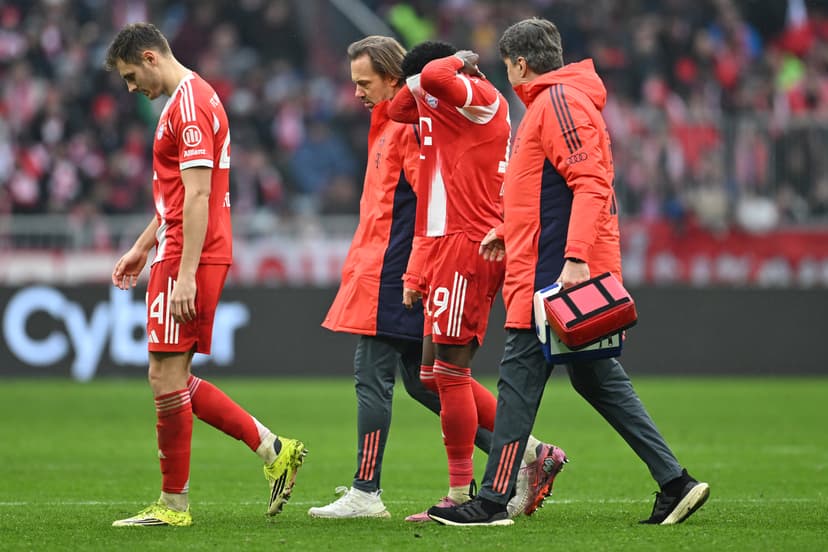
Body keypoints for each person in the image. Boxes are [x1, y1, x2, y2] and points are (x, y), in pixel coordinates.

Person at [428, 18, 710, 527]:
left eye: (507, 65)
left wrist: (576, 259)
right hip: (553, 263)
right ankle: (675, 482)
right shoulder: (559, 101)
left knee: (516, 381)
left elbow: (590, 183)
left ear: (519, 63)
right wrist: (508, 229)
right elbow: (555, 191)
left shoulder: (555, 103)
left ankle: (491, 501)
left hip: (553, 278)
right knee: (597, 380)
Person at [308, 35, 561, 521]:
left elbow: (428, 201)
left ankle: (374, 490)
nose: (357, 93)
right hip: (409, 263)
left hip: (413, 263)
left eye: (365, 82)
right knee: (428, 380)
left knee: (389, 377)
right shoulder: (399, 118)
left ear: (393, 77)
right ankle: (527, 454)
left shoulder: (428, 120)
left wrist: (415, 269)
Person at [105, 22, 306, 527]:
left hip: (189, 256)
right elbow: (177, 197)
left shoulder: (190, 106)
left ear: (151, 57)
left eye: (131, 75)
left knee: (164, 377)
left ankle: (175, 505)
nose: (132, 88)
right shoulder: (190, 99)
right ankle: (272, 448)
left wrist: (186, 273)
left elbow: (197, 197)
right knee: (170, 377)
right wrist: (139, 247)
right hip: (179, 249)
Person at [388, 41, 567, 521]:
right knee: (431, 374)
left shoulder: (480, 96)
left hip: (471, 244)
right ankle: (533, 452)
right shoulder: (441, 105)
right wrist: (416, 269)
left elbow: (432, 82)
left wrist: (456, 59)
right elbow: (399, 106)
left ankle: (460, 494)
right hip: (444, 245)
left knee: (449, 373)